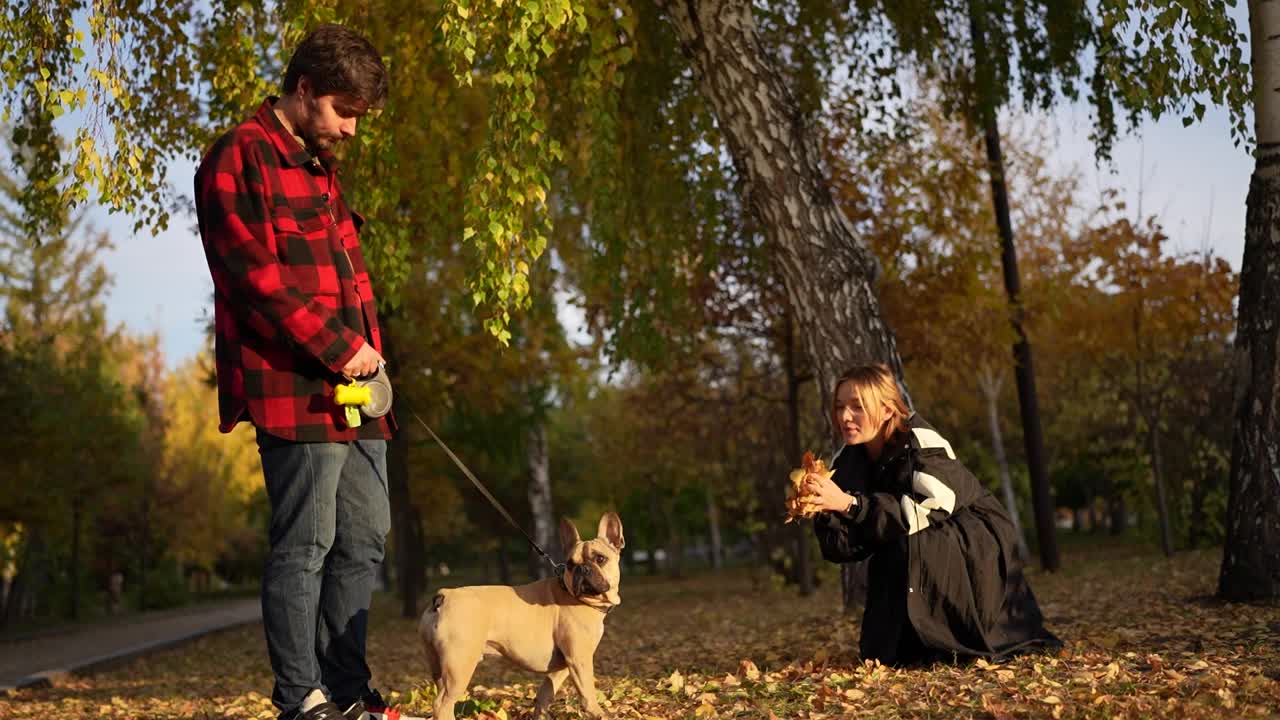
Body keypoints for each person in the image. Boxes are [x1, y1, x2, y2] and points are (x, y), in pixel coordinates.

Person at [194, 24, 396, 720]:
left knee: (366, 536)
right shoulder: (235, 158)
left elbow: (347, 280)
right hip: (293, 389)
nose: (351, 130)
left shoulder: (319, 167)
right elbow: (254, 279)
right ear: (303, 89)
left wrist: (369, 357)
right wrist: (342, 348)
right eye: (345, 112)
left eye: (359, 118)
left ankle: (347, 689)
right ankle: (300, 699)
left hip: (357, 393)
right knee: (304, 545)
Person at [805, 364, 1060, 666]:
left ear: (887, 410)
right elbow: (848, 547)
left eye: (857, 407)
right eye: (839, 407)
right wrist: (823, 510)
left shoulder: (919, 441)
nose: (845, 417)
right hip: (921, 532)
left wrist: (850, 505)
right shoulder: (848, 460)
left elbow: (931, 506)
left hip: (973, 536)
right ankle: (910, 643)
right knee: (882, 650)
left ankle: (945, 639)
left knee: (909, 541)